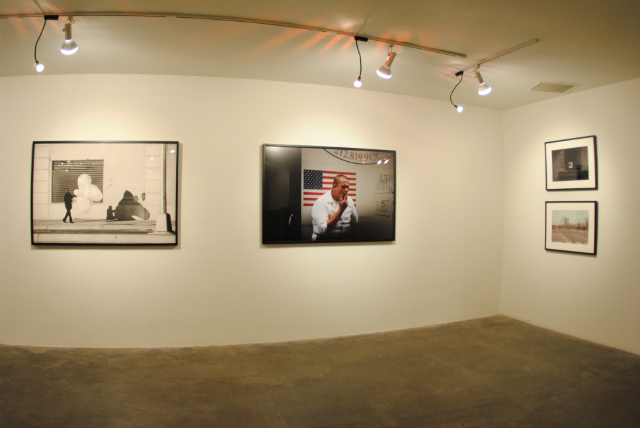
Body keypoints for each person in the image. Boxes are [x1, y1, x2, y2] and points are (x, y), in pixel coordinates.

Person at [311, 174, 358, 240]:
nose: (346, 190)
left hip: (344, 240)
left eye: (348, 187)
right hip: (323, 240)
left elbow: (354, 222)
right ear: (334, 186)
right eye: (343, 187)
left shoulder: (349, 200)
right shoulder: (321, 202)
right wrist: (341, 209)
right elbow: (323, 229)